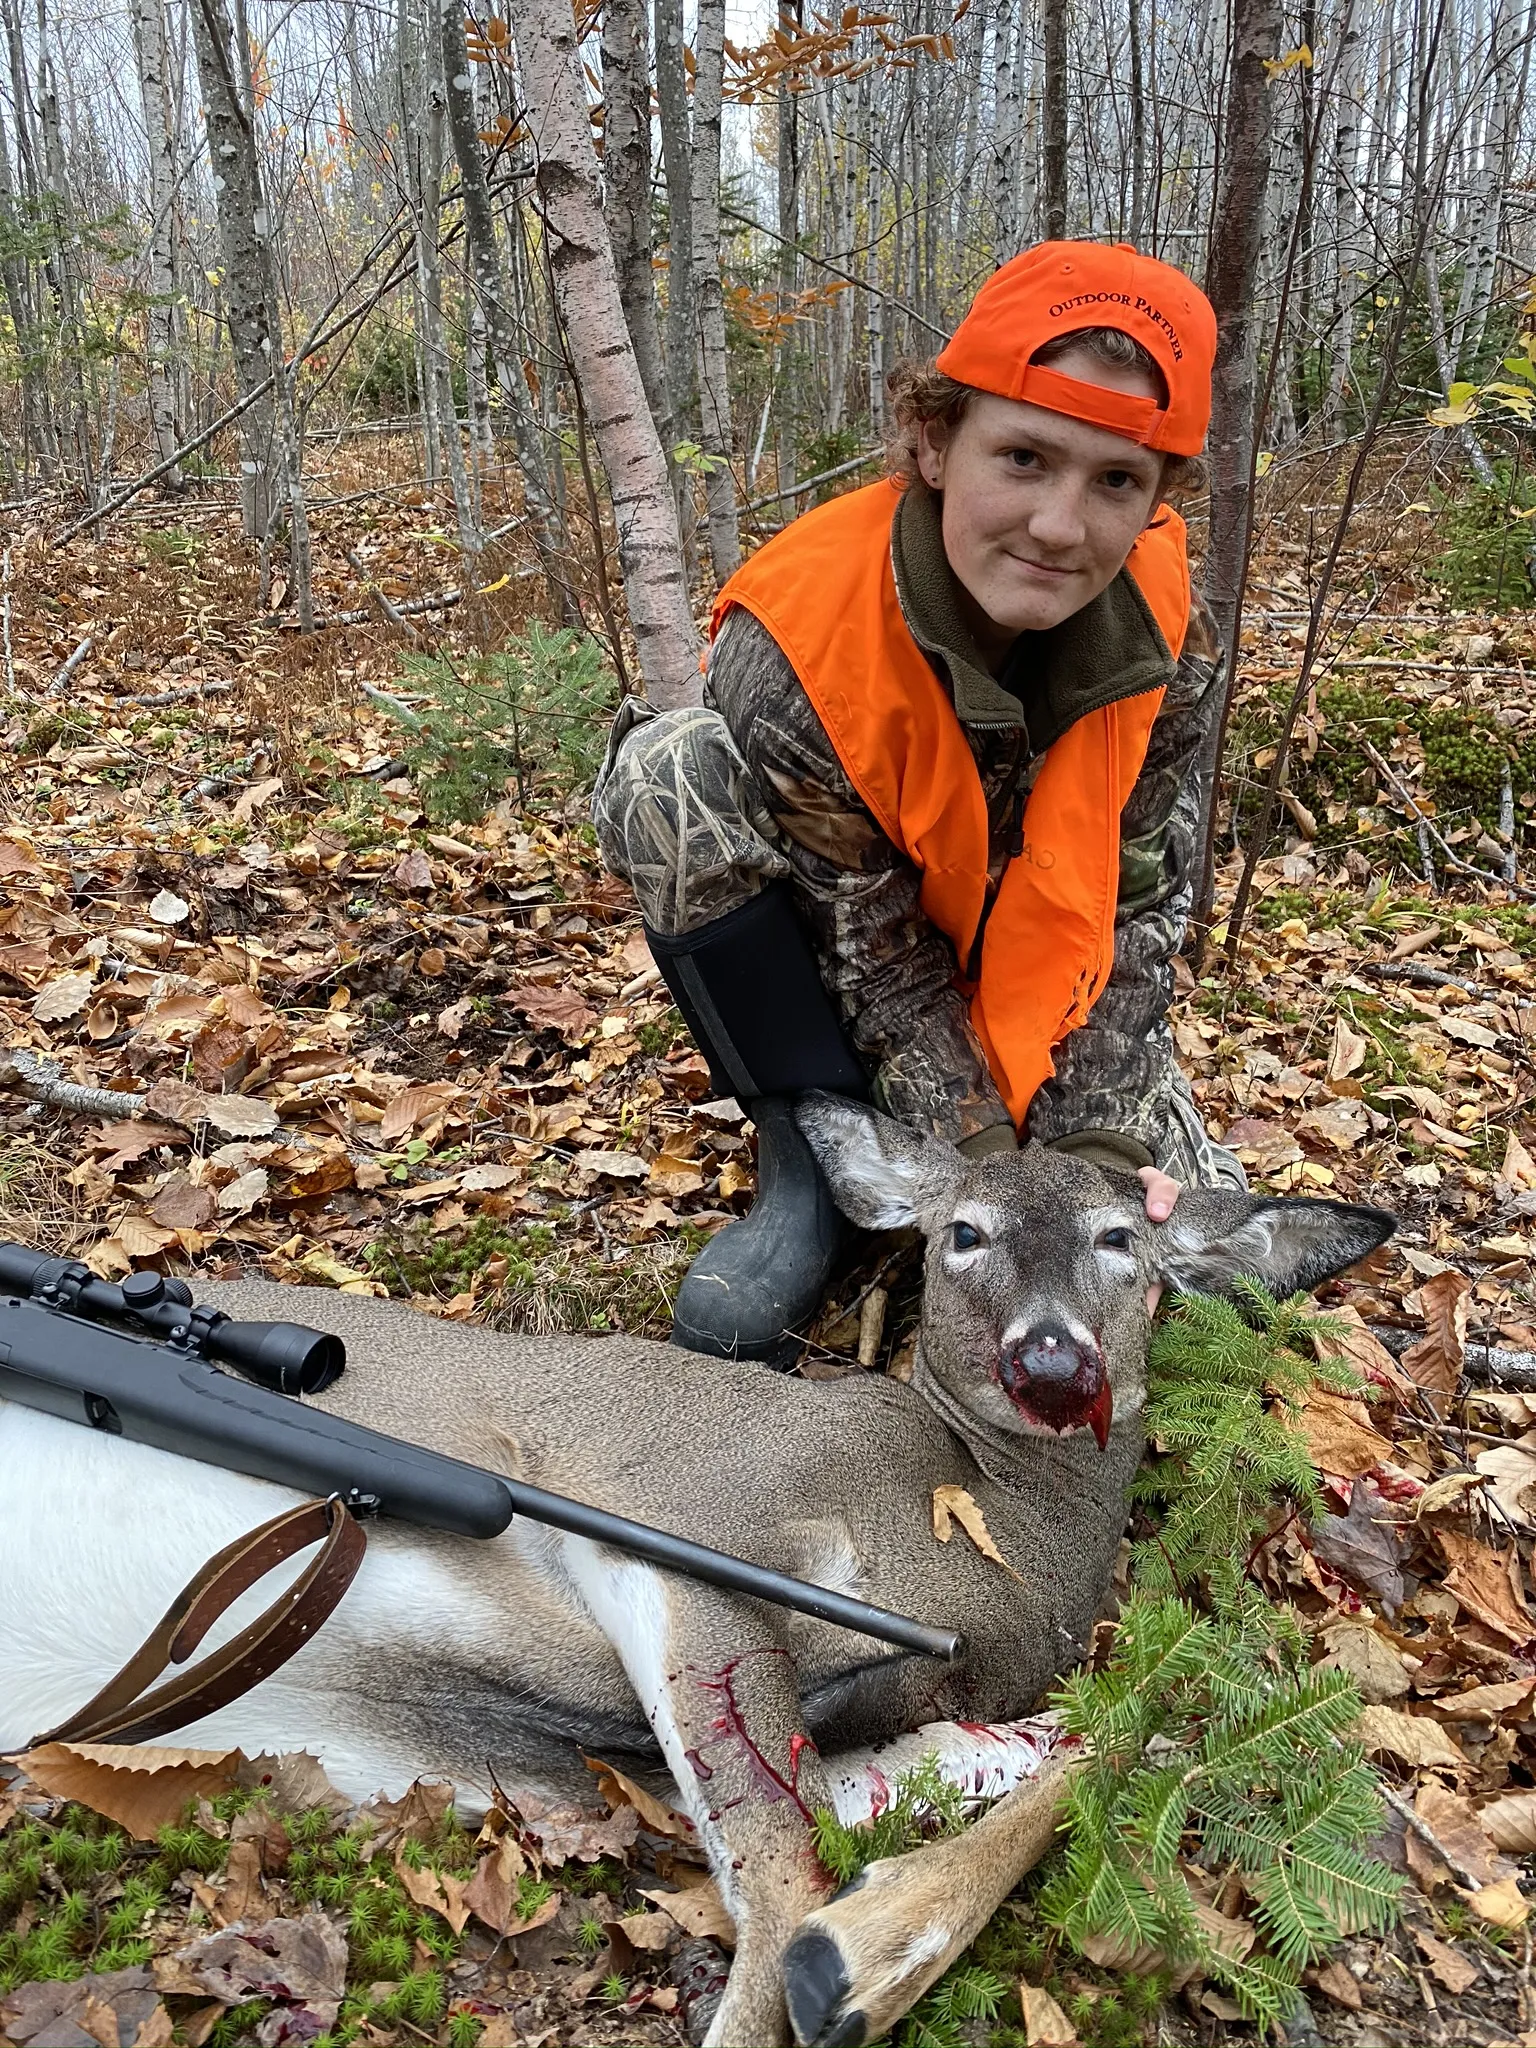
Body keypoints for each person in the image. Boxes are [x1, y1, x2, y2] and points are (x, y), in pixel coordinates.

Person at [594, 240, 1245, 1364]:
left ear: (1157, 501)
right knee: (667, 775)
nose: (1057, 526)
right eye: (1026, 457)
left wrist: (1083, 1159)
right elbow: (878, 960)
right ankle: (804, 1153)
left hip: (1050, 991)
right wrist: (983, 1168)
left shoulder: (1171, 635)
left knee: (1225, 1301)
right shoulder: (800, 643)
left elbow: (1139, 912)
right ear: (935, 441)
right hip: (869, 985)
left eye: (1116, 481)